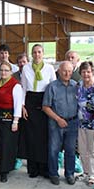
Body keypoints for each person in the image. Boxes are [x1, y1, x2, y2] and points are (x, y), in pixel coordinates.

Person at [22, 44, 56, 178]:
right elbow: (23, 88)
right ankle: (33, 168)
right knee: (31, 137)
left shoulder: (49, 68)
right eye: (34, 52)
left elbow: (53, 87)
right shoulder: (26, 68)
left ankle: (44, 167)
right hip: (30, 102)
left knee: (44, 136)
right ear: (31, 54)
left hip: (45, 101)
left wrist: (53, 106)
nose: (37, 55)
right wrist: (22, 106)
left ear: (43, 53)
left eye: (39, 52)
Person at [42, 61, 78, 185]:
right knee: (53, 149)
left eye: (69, 71)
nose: (67, 73)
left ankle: (70, 174)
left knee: (70, 150)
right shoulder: (52, 87)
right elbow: (46, 107)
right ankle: (53, 174)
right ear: (59, 71)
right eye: (64, 71)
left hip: (73, 123)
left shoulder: (76, 86)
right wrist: (58, 119)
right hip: (55, 123)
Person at [0, 62, 23, 182]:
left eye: (6, 70)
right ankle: (0, 167)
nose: (3, 73)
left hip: (9, 117)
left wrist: (16, 121)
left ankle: (5, 170)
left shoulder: (15, 86)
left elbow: (18, 104)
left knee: (7, 144)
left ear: (11, 72)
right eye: (1, 70)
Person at [76, 61, 94, 186]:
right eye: (83, 72)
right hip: (80, 123)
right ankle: (85, 172)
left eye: (89, 72)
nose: (86, 74)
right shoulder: (78, 86)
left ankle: (93, 175)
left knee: (93, 150)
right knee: (82, 149)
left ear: (93, 72)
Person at [12, 53, 29, 170]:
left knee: (28, 134)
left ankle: (29, 156)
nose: (22, 64)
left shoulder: (31, 73)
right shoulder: (14, 76)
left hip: (30, 107)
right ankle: (17, 157)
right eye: (20, 62)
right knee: (18, 134)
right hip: (17, 107)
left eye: (24, 62)